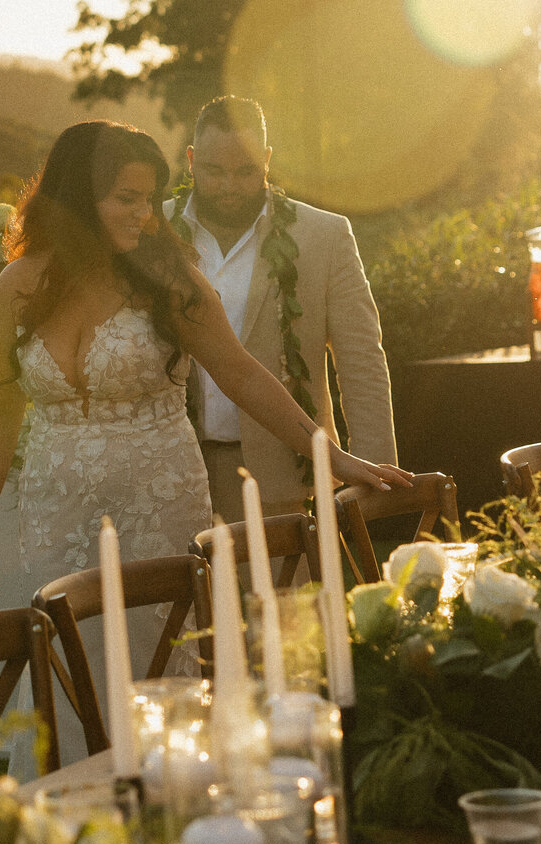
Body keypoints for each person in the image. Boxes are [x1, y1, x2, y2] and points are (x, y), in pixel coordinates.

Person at [0, 121, 409, 625]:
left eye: (148, 200)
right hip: (54, 507)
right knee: (69, 651)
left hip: (159, 499)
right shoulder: (16, 286)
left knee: (163, 647)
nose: (145, 215)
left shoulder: (167, 280)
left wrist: (330, 454)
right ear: (79, 198)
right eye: (127, 199)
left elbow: (239, 373)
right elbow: (2, 405)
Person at [166, 96, 397, 524]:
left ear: (267, 160)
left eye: (246, 170)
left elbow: (361, 359)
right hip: (172, 474)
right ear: (191, 160)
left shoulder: (324, 236)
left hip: (281, 471)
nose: (229, 186)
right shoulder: (152, 233)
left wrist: (373, 471)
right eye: (214, 171)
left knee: (286, 594)